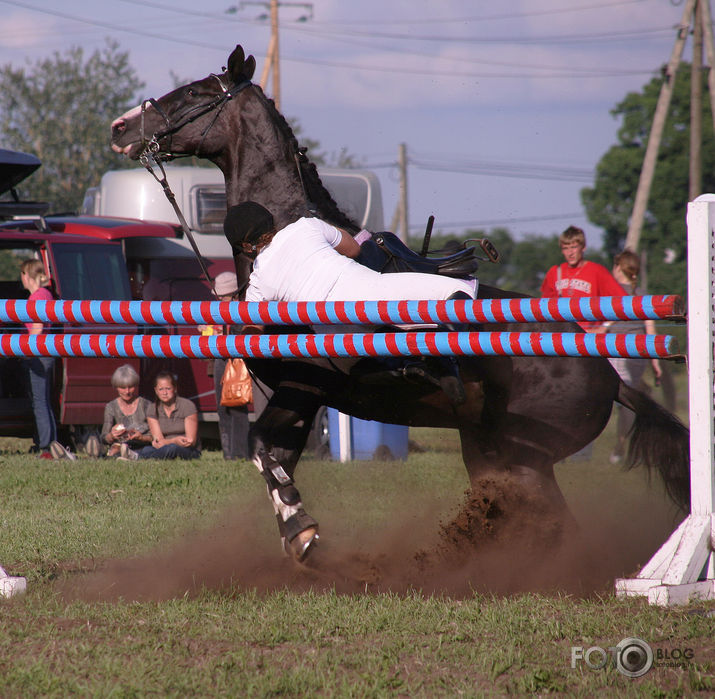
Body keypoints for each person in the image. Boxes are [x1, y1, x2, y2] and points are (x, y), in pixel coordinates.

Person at [223, 201, 477, 405]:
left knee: (358, 356)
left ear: (246, 245)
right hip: (367, 296)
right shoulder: (305, 226)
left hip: (335, 336)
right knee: (457, 290)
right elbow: (354, 250)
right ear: (270, 221)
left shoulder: (256, 283)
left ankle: (405, 365)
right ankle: (444, 358)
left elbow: (253, 331)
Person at [607, 249, 663, 464]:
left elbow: (605, 324)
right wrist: (656, 362)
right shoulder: (643, 295)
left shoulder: (611, 293)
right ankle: (621, 444)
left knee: (621, 398)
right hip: (638, 354)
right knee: (630, 395)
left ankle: (620, 445)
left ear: (618, 267)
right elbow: (651, 330)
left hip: (616, 350)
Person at [540, 225, 626, 332]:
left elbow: (623, 302)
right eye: (565, 248)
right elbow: (544, 308)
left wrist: (604, 327)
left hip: (589, 337)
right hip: (564, 336)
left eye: (574, 247)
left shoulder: (597, 271)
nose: (570, 253)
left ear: (583, 247)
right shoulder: (554, 272)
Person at [208, 271, 250, 460]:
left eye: (223, 296)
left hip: (236, 360)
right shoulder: (218, 309)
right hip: (220, 358)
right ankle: (228, 454)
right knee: (222, 408)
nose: (220, 300)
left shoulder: (242, 308)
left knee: (236, 405)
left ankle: (239, 454)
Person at [20, 259, 58, 459]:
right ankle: (48, 443)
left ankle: (46, 446)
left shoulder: (38, 296)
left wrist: (26, 350)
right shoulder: (44, 294)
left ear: (27, 275)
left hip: (38, 353)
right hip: (43, 353)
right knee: (43, 399)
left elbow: (38, 326)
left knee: (39, 400)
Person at [122, 371, 201, 460]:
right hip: (163, 448)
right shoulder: (152, 409)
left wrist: (171, 442)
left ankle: (135, 457)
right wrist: (172, 441)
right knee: (147, 449)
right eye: (161, 389)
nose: (164, 393)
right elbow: (158, 441)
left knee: (172, 448)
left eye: (168, 388)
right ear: (156, 391)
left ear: (175, 389)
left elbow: (191, 441)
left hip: (188, 450)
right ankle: (121, 455)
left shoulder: (187, 406)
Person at [95, 364, 152, 457]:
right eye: (123, 387)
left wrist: (141, 437)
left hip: (143, 447)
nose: (127, 391)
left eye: (131, 387)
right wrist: (112, 436)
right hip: (120, 446)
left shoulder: (146, 405)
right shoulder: (111, 407)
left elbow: (155, 437)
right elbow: (104, 438)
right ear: (116, 387)